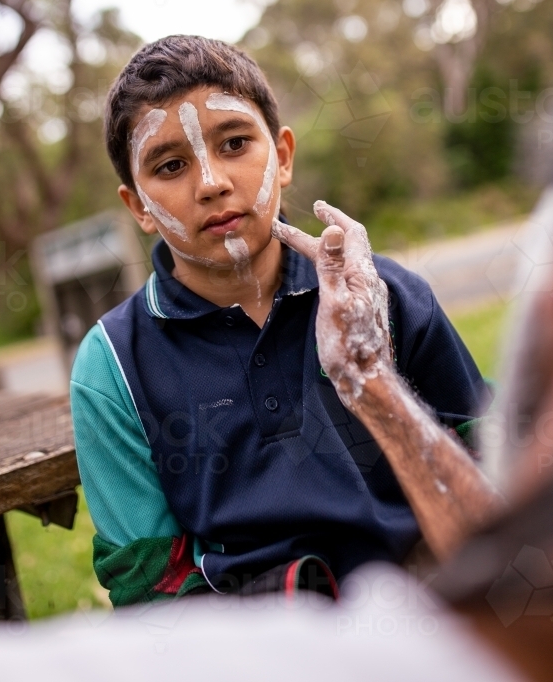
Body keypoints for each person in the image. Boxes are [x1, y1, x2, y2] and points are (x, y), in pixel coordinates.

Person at [69, 34, 489, 603]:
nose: (212, 182)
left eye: (235, 143)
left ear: (284, 156)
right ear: (139, 206)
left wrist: (369, 373)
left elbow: (492, 474)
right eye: (170, 165)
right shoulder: (112, 364)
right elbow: (150, 585)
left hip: (433, 614)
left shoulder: (383, 292)